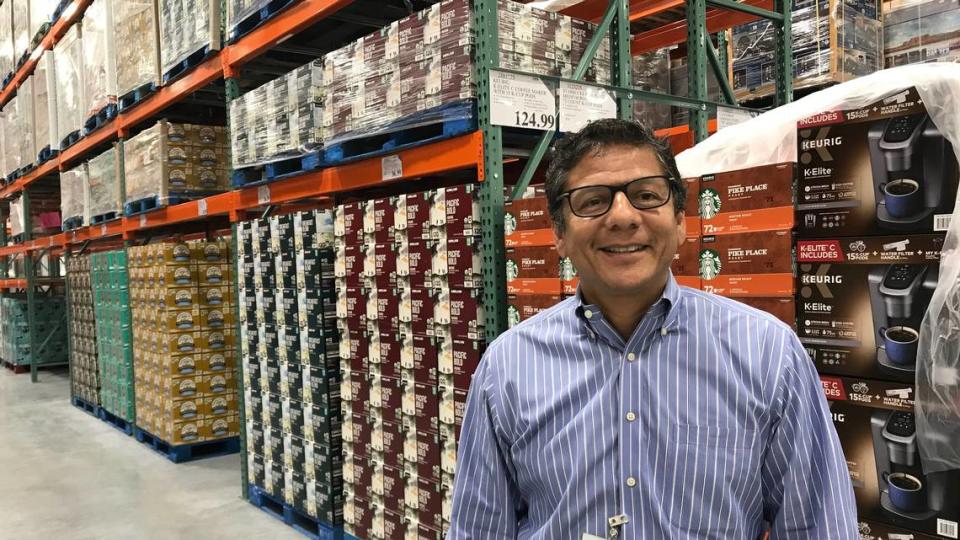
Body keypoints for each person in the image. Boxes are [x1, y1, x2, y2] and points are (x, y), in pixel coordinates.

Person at [447, 119, 858, 539]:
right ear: (558, 235)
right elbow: (478, 529)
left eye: (646, 195)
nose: (623, 217)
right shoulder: (508, 367)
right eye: (592, 202)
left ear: (680, 220)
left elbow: (818, 526)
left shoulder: (768, 354)